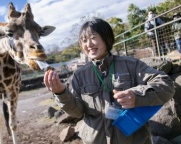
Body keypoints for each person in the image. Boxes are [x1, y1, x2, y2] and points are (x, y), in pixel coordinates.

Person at [44, 18, 175, 144]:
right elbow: (77, 112)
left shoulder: (131, 65)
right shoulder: (79, 75)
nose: (88, 44)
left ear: (106, 38)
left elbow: (166, 84)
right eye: (84, 40)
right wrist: (61, 93)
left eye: (93, 38)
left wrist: (137, 96)